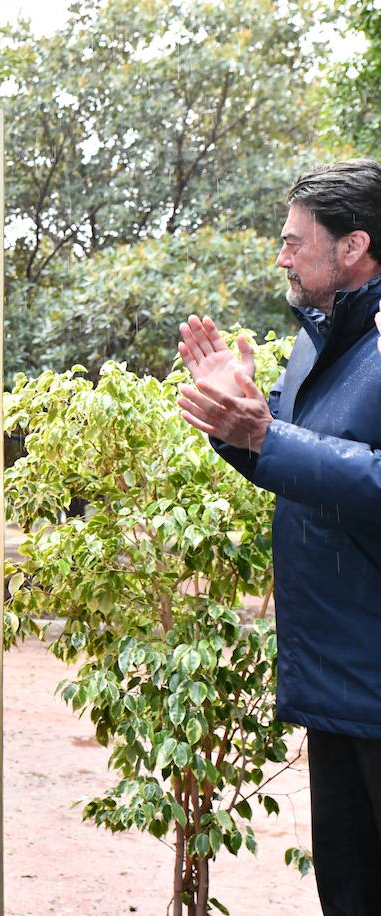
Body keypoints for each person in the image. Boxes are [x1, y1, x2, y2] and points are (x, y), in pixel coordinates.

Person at [177, 159, 381, 916]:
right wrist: (238, 426)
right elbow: (298, 464)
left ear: (354, 246)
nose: (281, 256)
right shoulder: (317, 342)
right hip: (333, 683)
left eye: (295, 242)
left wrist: (268, 434)